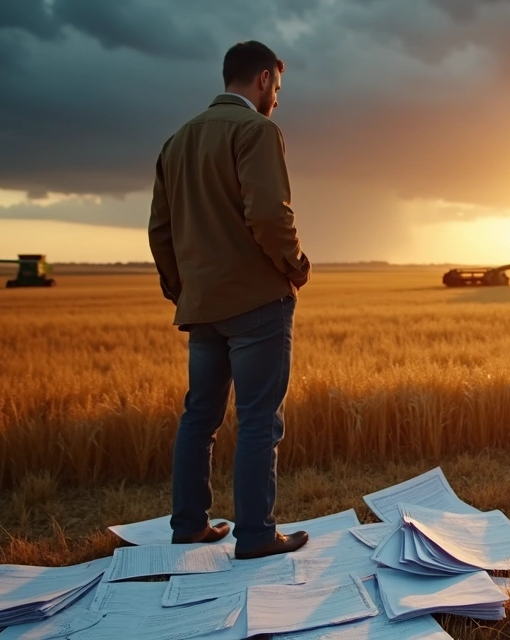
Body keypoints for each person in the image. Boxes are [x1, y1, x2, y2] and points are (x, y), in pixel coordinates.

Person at [148, 40, 311, 560]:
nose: (277, 100)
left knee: (200, 417)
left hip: (203, 307)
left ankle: (189, 525)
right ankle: (257, 535)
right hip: (257, 302)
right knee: (259, 418)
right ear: (263, 79)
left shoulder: (177, 141)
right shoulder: (256, 130)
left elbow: (160, 230)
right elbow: (268, 213)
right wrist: (295, 265)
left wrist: (184, 289)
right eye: (277, 88)